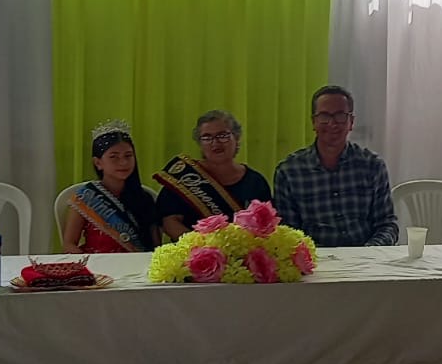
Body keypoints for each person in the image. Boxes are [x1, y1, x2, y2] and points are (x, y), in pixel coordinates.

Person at [274, 85, 397, 247]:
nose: (332, 124)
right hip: (315, 258)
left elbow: (387, 224)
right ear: (314, 122)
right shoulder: (289, 172)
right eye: (324, 116)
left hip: (365, 255)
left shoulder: (372, 166)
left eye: (340, 116)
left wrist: (368, 252)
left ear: (351, 122)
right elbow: (287, 232)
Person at [153, 110, 274, 241]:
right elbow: (170, 223)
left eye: (222, 135)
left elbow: (265, 225)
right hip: (194, 250)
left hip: (245, 250)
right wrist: (202, 245)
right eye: (207, 138)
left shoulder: (255, 182)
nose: (215, 143)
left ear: (236, 138)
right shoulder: (184, 177)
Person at [62, 121, 160, 253]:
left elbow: (155, 247)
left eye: (128, 156)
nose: (123, 162)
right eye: (114, 157)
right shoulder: (85, 197)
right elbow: (69, 244)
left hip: (136, 264)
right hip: (97, 263)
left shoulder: (145, 198)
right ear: (98, 163)